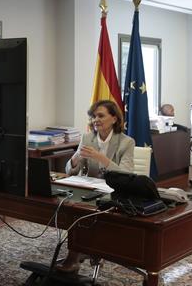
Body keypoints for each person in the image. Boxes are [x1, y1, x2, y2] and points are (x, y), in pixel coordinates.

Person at [57, 100, 135, 273]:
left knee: (83, 213)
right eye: (93, 116)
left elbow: (126, 174)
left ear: (114, 119)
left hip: (115, 192)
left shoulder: (126, 142)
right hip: (91, 190)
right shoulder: (87, 138)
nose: (95, 120)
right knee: (74, 209)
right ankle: (82, 250)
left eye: (101, 115)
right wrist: (75, 158)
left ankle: (74, 258)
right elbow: (70, 171)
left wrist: (102, 158)